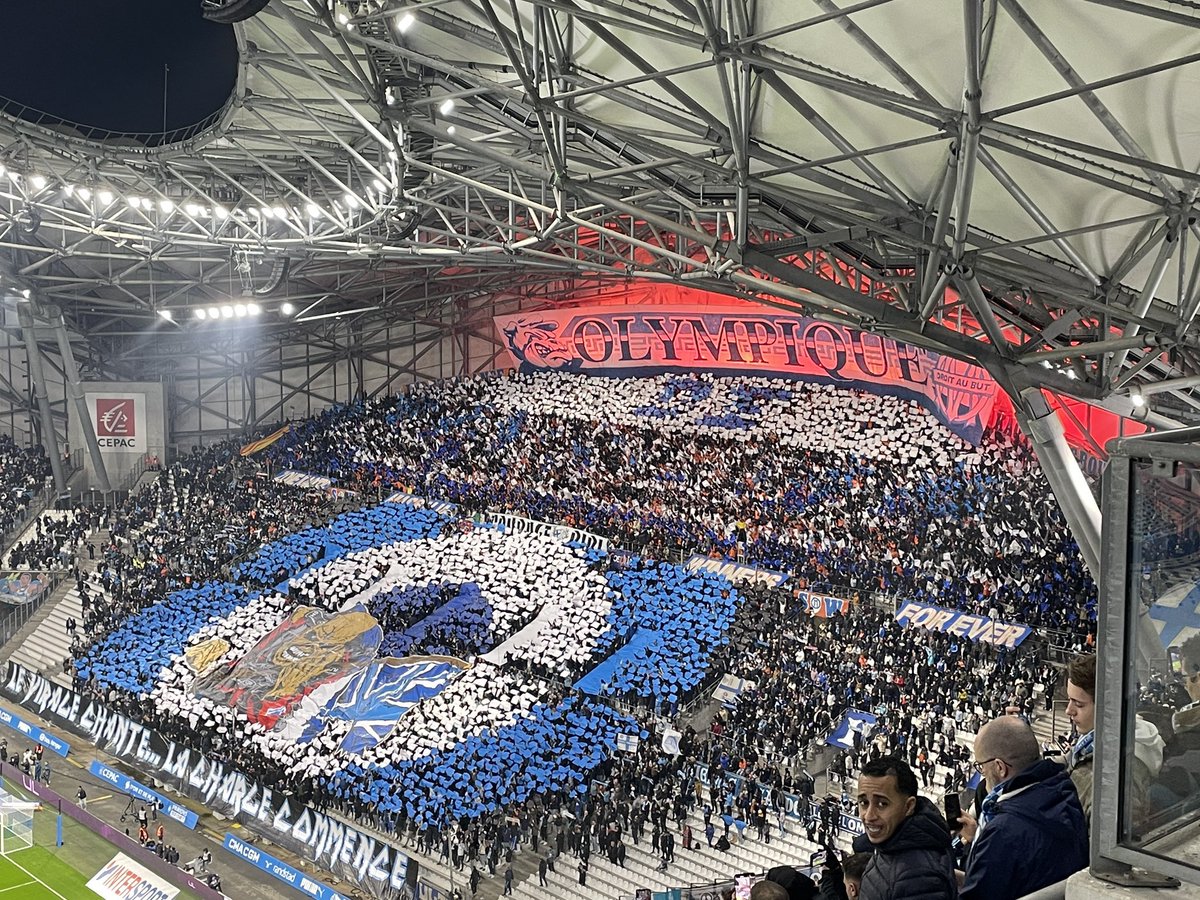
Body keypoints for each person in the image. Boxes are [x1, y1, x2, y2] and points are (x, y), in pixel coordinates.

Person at [957, 716, 1087, 900]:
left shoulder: (1003, 831)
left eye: (981, 767)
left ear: (1000, 767)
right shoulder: (1064, 790)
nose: (983, 775)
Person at [1066, 653, 1163, 823]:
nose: (1069, 710)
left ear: (1109, 707)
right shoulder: (1125, 735)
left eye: (1079, 704)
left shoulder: (1112, 777)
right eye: (1069, 700)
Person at [852, 757, 956, 900]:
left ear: (909, 806)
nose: (869, 816)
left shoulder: (918, 876)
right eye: (863, 803)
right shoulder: (891, 844)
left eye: (882, 804)